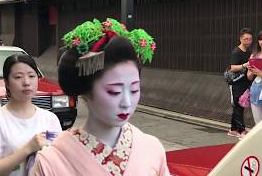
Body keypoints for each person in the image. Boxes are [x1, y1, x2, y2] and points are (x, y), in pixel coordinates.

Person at [30, 18, 170, 176]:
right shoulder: (52, 160)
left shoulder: (152, 149)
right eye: (114, 92)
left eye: (134, 89)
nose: (127, 103)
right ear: (86, 91)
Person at [0, 54, 62, 176]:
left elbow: (58, 161)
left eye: (31, 76)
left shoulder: (50, 119)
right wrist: (28, 148)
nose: (26, 82)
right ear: (7, 83)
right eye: (18, 77)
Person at [228, 28, 253, 138]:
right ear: (240, 39)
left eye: (249, 39)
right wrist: (245, 65)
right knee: (238, 105)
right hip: (237, 83)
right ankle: (240, 130)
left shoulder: (249, 51)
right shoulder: (236, 51)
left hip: (245, 81)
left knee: (240, 105)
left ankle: (233, 129)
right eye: (245, 39)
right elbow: (233, 68)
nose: (248, 41)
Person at [248, 29, 262, 125]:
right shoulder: (254, 56)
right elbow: (249, 77)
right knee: (258, 125)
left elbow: (261, 74)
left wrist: (261, 74)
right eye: (260, 38)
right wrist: (251, 70)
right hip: (255, 91)